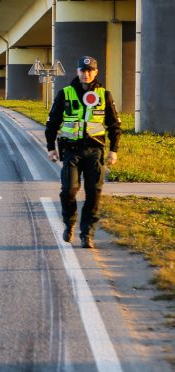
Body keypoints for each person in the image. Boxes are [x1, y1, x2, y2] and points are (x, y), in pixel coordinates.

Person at [45, 56, 121, 248]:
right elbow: (52, 122)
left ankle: (87, 233)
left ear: (96, 72)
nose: (86, 74)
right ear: (77, 72)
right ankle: (70, 223)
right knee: (69, 190)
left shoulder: (104, 95)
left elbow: (114, 125)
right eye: (82, 70)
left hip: (94, 151)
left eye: (90, 71)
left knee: (93, 193)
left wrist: (114, 150)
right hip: (71, 151)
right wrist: (50, 148)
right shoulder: (66, 93)